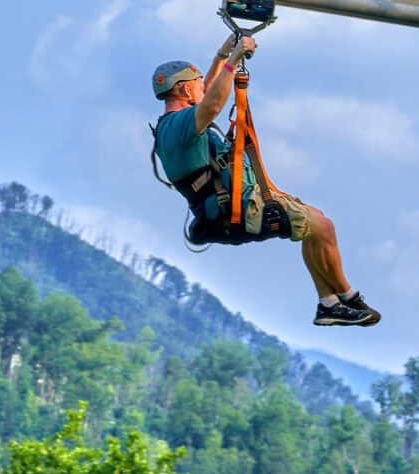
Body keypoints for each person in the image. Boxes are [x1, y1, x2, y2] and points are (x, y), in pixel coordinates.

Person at [151, 35, 380, 327]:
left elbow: (208, 92)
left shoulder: (171, 126)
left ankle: (329, 303)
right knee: (323, 227)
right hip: (240, 209)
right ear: (184, 89)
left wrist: (222, 54)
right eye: (195, 83)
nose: (202, 86)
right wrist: (233, 62)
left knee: (316, 221)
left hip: (234, 206)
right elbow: (211, 104)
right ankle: (347, 296)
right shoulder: (180, 124)